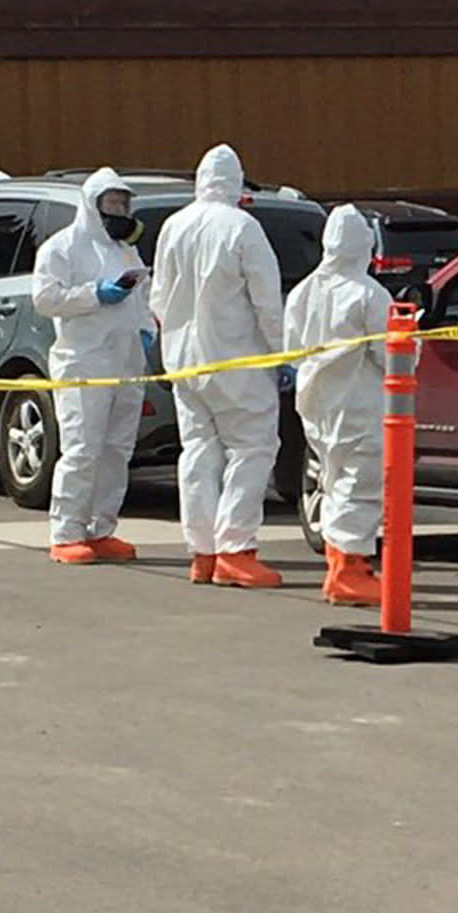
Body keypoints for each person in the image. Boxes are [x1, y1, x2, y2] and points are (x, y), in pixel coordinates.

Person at [149, 144, 288, 589]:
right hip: (236, 361)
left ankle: (202, 553)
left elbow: (158, 298)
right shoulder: (243, 228)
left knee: (198, 453)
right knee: (253, 448)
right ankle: (236, 549)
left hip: (183, 363)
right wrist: (285, 354)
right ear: (237, 182)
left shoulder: (174, 226)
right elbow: (267, 301)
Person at [28, 167, 153, 565]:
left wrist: (147, 330)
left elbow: (143, 300)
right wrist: (94, 295)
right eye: (111, 203)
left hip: (127, 363)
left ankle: (102, 529)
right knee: (82, 449)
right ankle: (66, 532)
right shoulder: (61, 248)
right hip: (83, 363)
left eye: (123, 203)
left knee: (117, 450)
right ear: (92, 204)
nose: (118, 210)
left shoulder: (125, 251)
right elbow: (45, 299)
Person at [283, 204, 391, 607]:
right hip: (359, 404)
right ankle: (350, 570)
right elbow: (393, 353)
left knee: (331, 482)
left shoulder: (302, 292)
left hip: (316, 404)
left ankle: (338, 565)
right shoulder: (368, 293)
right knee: (356, 486)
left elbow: (292, 350)